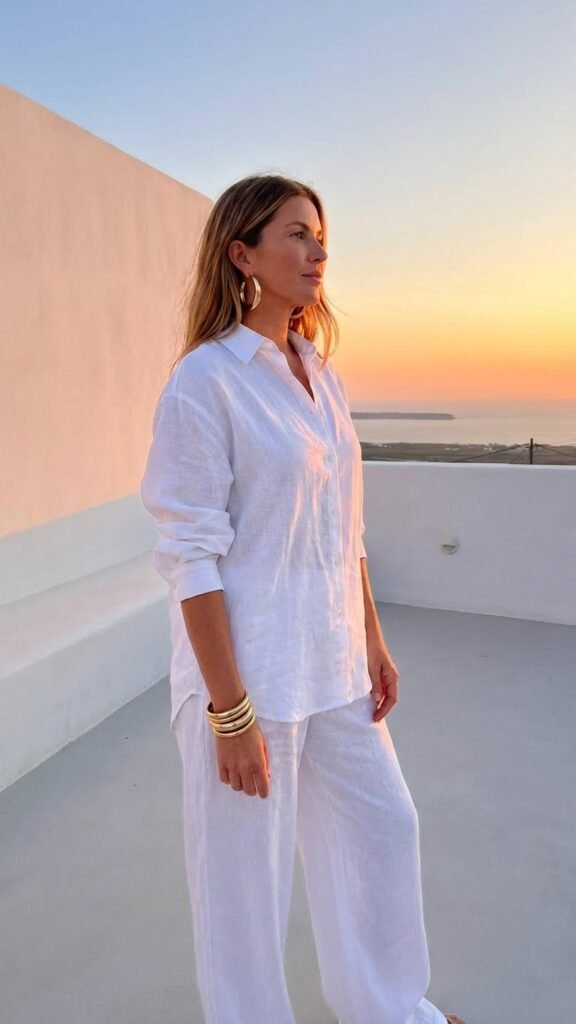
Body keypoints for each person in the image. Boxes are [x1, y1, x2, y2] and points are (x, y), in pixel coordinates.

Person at [140, 172, 467, 1024]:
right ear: (242, 255)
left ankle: (388, 1008)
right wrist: (229, 712)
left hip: (334, 663)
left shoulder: (320, 374)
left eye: (321, 236)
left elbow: (343, 529)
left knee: (383, 830)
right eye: (296, 234)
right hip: (248, 677)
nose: (318, 251)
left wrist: (372, 640)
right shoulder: (205, 382)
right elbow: (189, 555)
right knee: (243, 889)